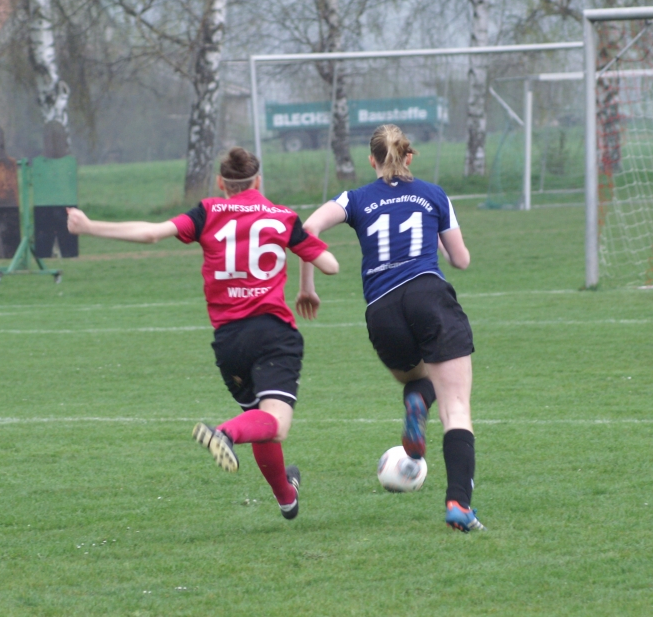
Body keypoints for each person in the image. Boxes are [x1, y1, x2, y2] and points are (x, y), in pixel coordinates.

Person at [67, 147, 339, 520]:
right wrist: (307, 267)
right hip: (273, 333)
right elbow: (330, 265)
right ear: (258, 181)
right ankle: (224, 433)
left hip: (229, 341)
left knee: (257, 418)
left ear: (220, 183)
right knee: (275, 423)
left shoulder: (208, 211)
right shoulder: (282, 216)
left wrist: (88, 226)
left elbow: (151, 234)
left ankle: (287, 500)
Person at [296, 124, 484, 533]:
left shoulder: (355, 198)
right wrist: (435, 238)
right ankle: (459, 505)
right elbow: (462, 260)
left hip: (381, 310)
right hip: (428, 296)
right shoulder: (433, 194)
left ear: (372, 160)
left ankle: (416, 399)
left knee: (416, 378)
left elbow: (307, 229)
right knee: (456, 407)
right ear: (409, 156)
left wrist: (307, 287)